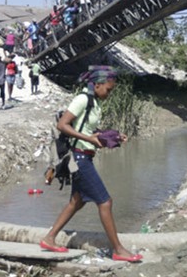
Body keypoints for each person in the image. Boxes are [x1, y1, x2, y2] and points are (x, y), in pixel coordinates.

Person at [39, 66, 142, 262]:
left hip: (85, 157)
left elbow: (88, 129)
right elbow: (62, 124)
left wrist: (112, 136)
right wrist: (88, 138)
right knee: (105, 201)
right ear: (96, 85)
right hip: (79, 158)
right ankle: (118, 249)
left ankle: (49, 238)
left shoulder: (95, 103)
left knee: (76, 202)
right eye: (108, 89)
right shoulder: (82, 99)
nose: (110, 93)